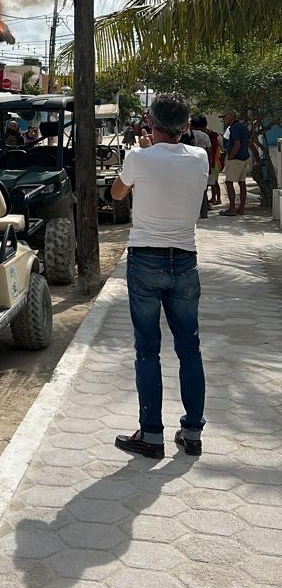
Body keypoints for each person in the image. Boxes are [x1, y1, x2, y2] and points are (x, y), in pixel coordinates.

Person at [111, 92, 209, 459]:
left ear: (150, 123)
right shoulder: (199, 157)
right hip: (185, 259)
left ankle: (151, 435)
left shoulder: (138, 158)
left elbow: (118, 193)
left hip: (145, 261)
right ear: (186, 126)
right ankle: (193, 432)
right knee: (189, 348)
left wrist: (143, 152)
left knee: (147, 350)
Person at [220, 109, 250, 216]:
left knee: (229, 182)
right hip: (244, 157)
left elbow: (237, 144)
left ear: (232, 117)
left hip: (236, 158)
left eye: (225, 117)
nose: (224, 119)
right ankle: (241, 208)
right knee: (242, 183)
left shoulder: (234, 127)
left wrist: (231, 156)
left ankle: (232, 208)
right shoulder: (242, 126)